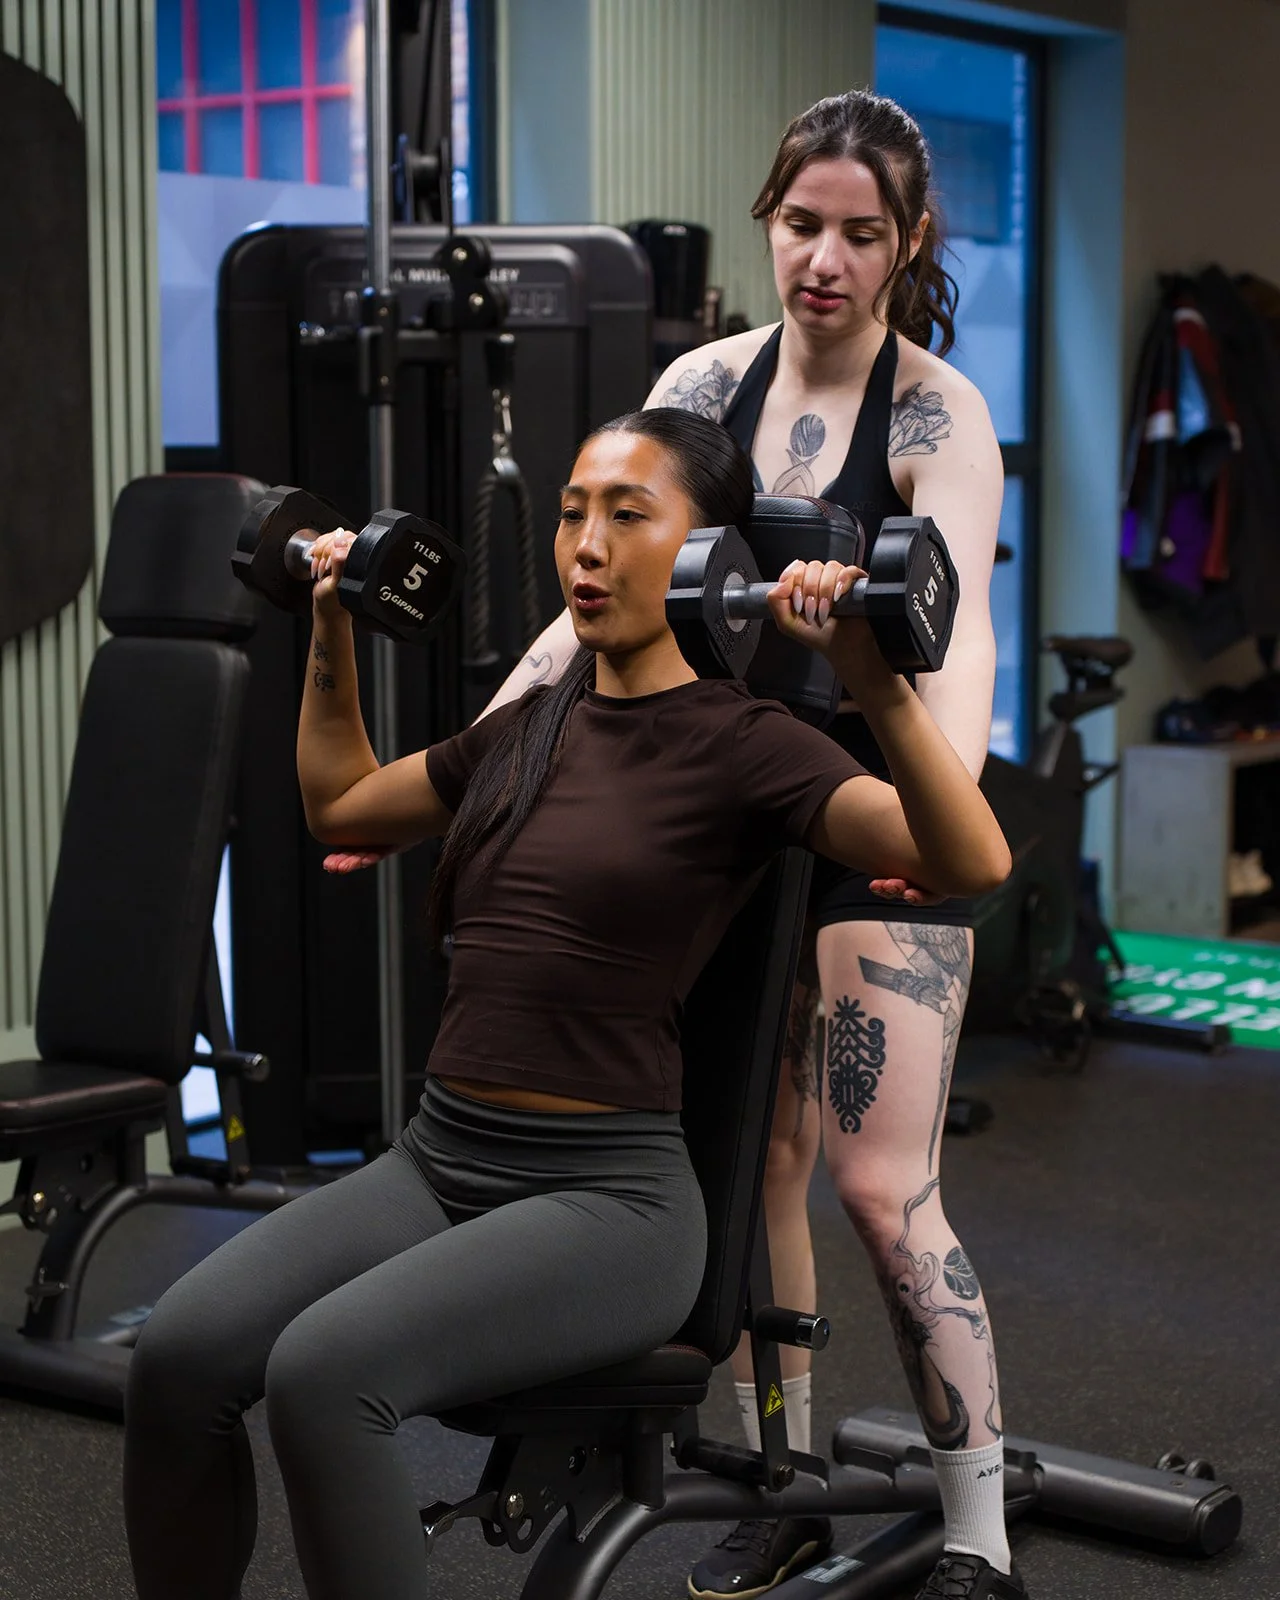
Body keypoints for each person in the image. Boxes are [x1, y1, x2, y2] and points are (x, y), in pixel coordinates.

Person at [122, 406, 1009, 1600]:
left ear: (710, 551)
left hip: (609, 1202)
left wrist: (873, 679)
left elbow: (967, 859)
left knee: (328, 1377)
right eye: (572, 513)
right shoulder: (524, 729)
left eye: (627, 515)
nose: (585, 544)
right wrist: (330, 619)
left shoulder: (747, 745)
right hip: (440, 1161)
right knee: (177, 1356)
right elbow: (340, 804)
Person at [475, 91, 1014, 1600]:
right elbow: (589, 601)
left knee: (877, 1181)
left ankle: (976, 1530)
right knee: (753, 1162)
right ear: (768, 222)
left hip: (879, 806)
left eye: (859, 232)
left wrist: (938, 803)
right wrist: (459, 776)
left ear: (908, 243)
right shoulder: (707, 381)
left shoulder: (936, 416)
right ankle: (784, 1481)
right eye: (800, 226)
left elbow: (953, 624)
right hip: (733, 801)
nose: (823, 260)